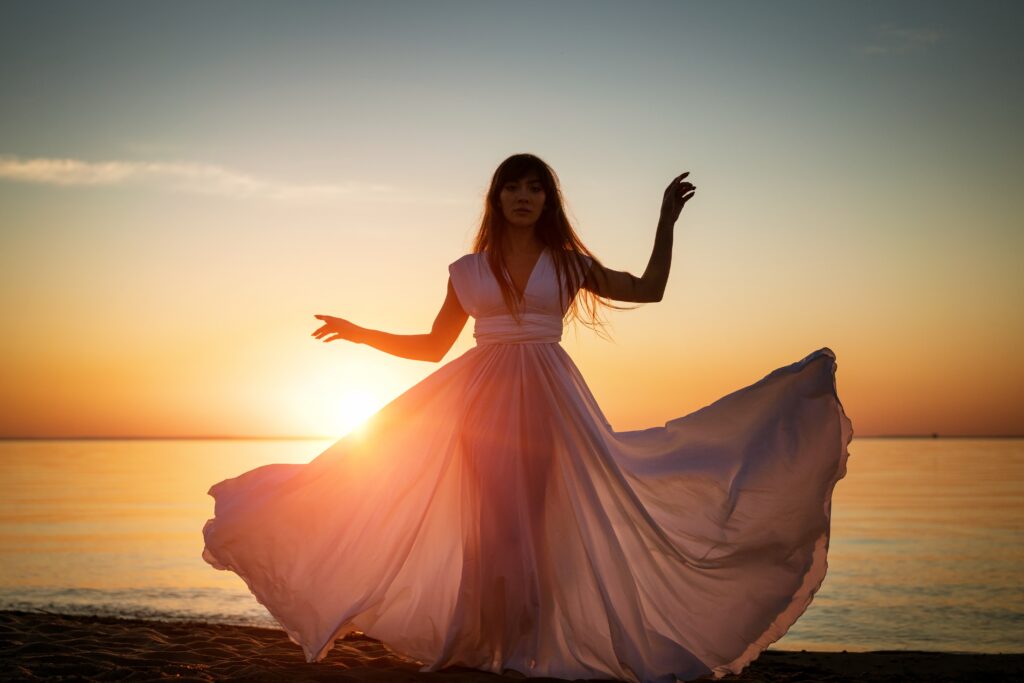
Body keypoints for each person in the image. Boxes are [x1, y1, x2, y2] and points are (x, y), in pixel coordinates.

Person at [202, 153, 853, 683]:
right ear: (496, 198)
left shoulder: (568, 265)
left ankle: (524, 644)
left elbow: (648, 289)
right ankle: (487, 642)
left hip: (548, 401)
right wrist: (359, 331)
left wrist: (665, 221)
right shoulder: (467, 270)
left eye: (534, 187)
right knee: (489, 528)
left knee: (534, 525)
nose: (523, 196)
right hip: (479, 404)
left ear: (548, 200)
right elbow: (433, 345)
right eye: (512, 186)